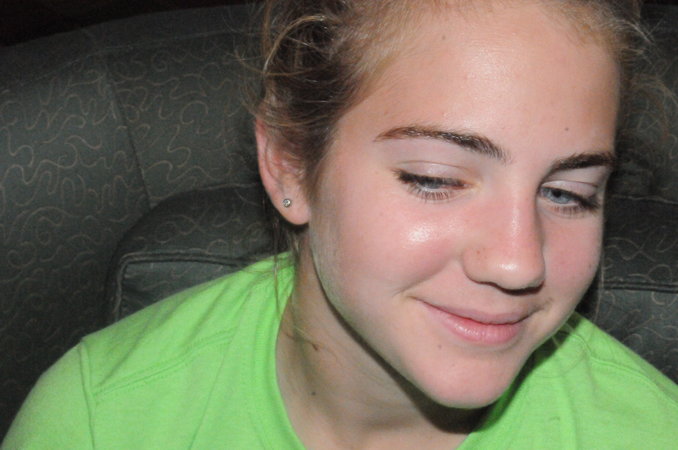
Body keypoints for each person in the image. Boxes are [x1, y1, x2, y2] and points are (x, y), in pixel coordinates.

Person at [3, 0, 678, 448]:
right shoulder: (100, 422)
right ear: (290, 164)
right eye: (435, 179)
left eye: (567, 194)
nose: (518, 262)